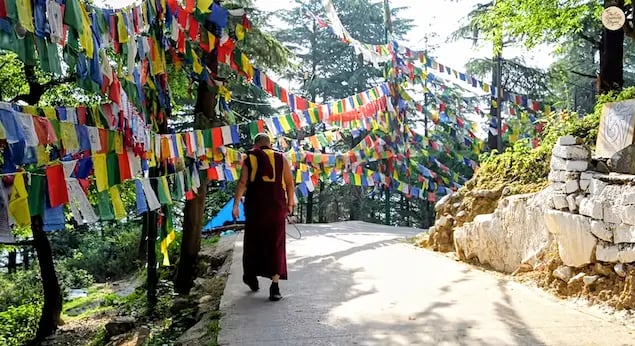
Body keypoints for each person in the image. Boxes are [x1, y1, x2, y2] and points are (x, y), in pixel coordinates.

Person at [232, 133, 295, 301]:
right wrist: (290, 204)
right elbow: (289, 183)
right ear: (270, 144)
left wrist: (236, 204)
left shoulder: (251, 158)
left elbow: (243, 183)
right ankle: (275, 287)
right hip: (276, 208)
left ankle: (251, 277)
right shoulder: (281, 158)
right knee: (276, 244)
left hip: (256, 208)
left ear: (256, 145)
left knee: (253, 242)